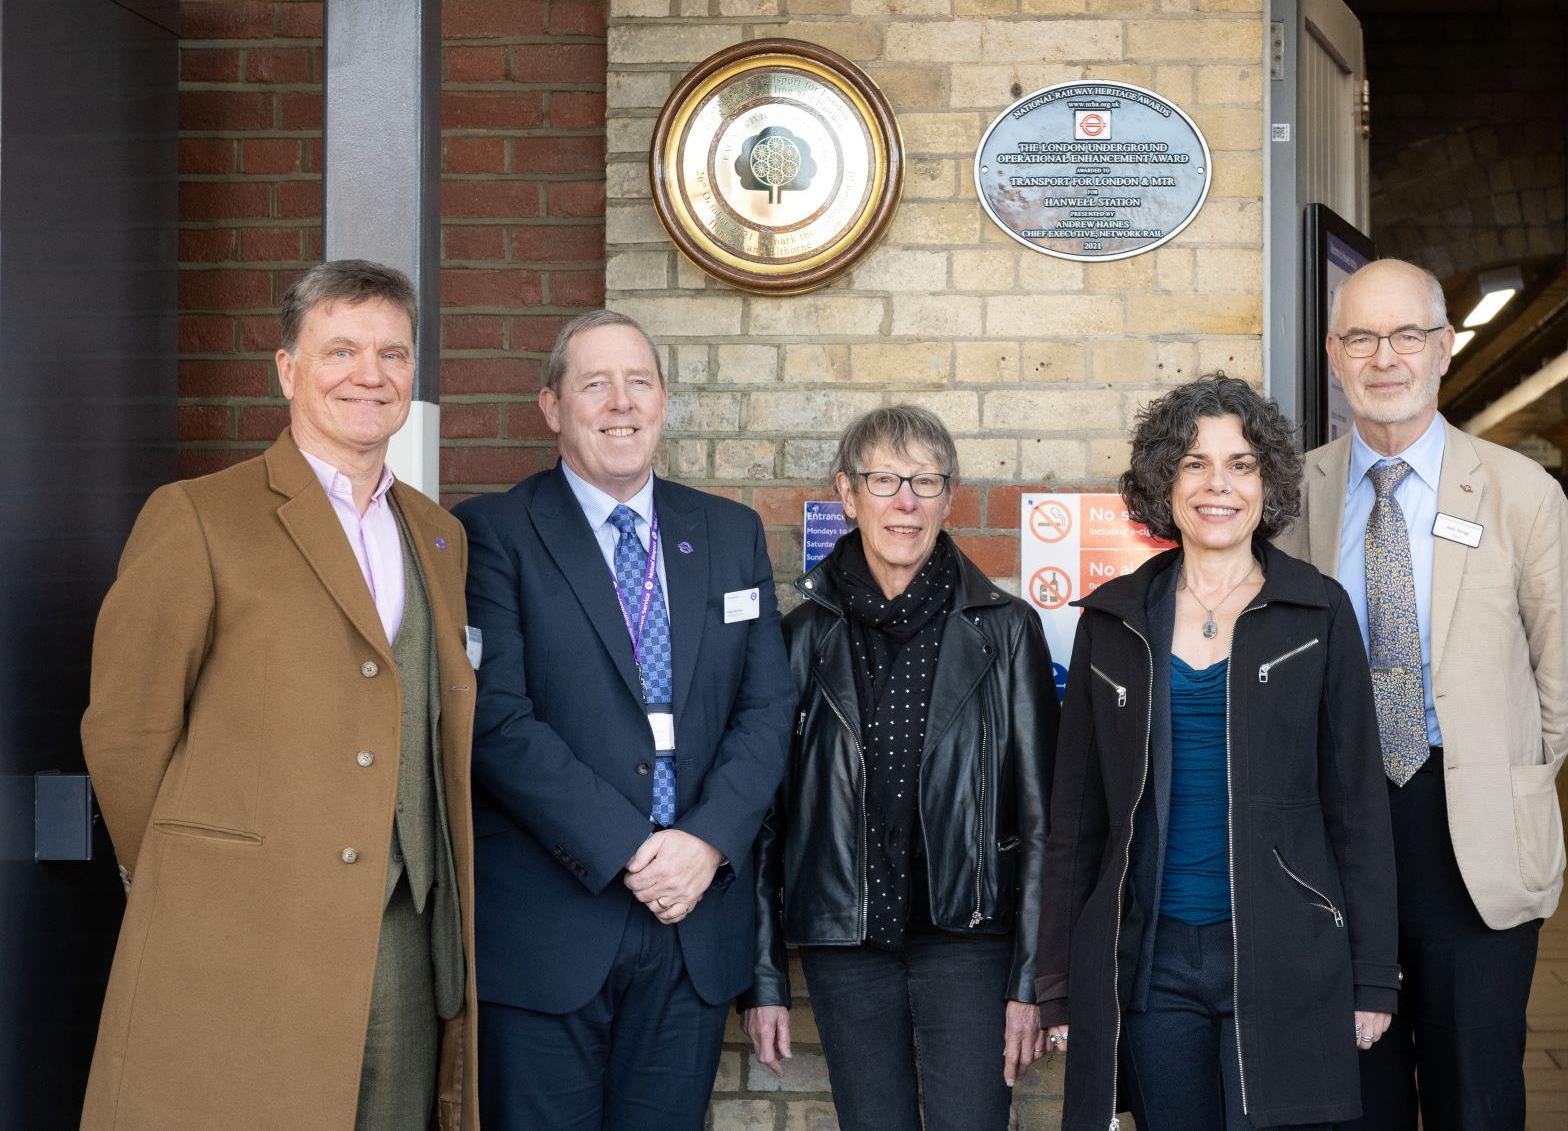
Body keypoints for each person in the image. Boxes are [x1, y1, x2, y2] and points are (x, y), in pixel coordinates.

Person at [80, 260, 478, 1131]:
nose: (368, 374)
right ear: (287, 369)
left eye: (392, 353)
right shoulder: (197, 516)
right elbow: (126, 728)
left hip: (409, 932)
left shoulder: (440, 536)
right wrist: (190, 885)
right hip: (246, 932)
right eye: (340, 349)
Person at [455, 309, 796, 1130]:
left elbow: (766, 705)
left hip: (690, 925)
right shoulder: (492, 532)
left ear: (664, 400)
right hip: (551, 928)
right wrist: (633, 849)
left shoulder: (726, 532)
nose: (620, 403)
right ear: (551, 406)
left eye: (637, 381)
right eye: (594, 383)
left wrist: (705, 840)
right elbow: (495, 721)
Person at [1278, 258, 1568, 1131]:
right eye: (1361, 337)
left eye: (1407, 335)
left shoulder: (1521, 494)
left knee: (1476, 1094)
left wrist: (1505, 773)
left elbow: (1565, 671)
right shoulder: (1291, 497)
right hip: (1336, 836)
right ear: (1334, 354)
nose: (1385, 357)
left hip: (1472, 840)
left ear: (1443, 349)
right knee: (1352, 1093)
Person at [1037, 375, 1400, 1131]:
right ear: (1161, 481)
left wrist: (1372, 976)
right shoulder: (1112, 621)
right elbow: (1074, 820)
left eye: (1240, 463)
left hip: (1284, 952)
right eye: (1193, 462)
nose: (1217, 485)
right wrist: (1059, 981)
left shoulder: (1315, 611)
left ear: (1266, 483)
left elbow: (1357, 807)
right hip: (1151, 963)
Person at [741, 406, 1059, 1131]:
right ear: (847, 495)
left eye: (925, 481)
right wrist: (762, 975)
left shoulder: (1006, 630)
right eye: (883, 479)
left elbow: (1046, 820)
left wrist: (1031, 977)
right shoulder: (800, 637)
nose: (905, 502)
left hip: (970, 942)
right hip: (844, 944)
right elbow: (763, 821)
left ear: (950, 497)